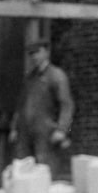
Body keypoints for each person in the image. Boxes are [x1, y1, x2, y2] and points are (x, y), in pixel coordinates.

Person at [11, 39, 74, 174]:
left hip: (46, 131)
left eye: (37, 52)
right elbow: (20, 105)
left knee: (45, 169)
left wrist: (62, 130)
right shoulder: (29, 78)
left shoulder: (56, 76)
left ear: (46, 52)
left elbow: (67, 105)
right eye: (31, 53)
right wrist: (14, 128)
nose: (34, 57)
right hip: (25, 132)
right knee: (23, 169)